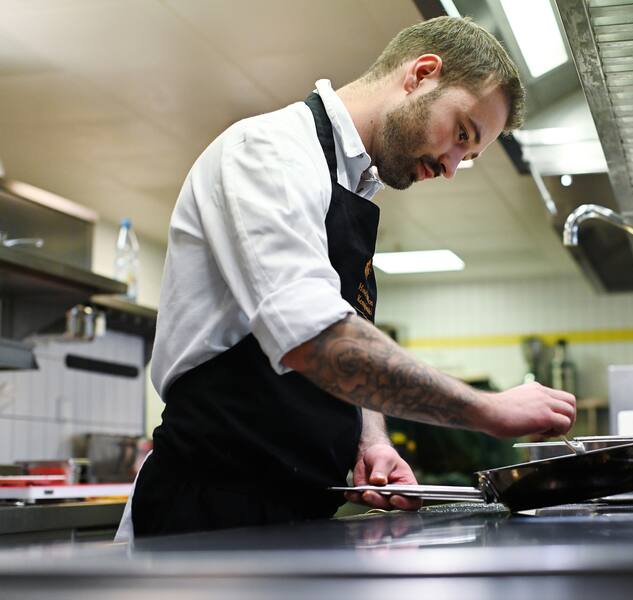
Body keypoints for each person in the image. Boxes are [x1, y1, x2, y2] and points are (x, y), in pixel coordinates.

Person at [116, 16, 576, 540]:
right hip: (208, 514)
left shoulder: (352, 189)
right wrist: (488, 410)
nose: (450, 168)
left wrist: (370, 439)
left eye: (466, 158)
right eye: (461, 135)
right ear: (422, 74)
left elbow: (346, 340)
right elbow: (317, 343)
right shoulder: (269, 151)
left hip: (297, 510)